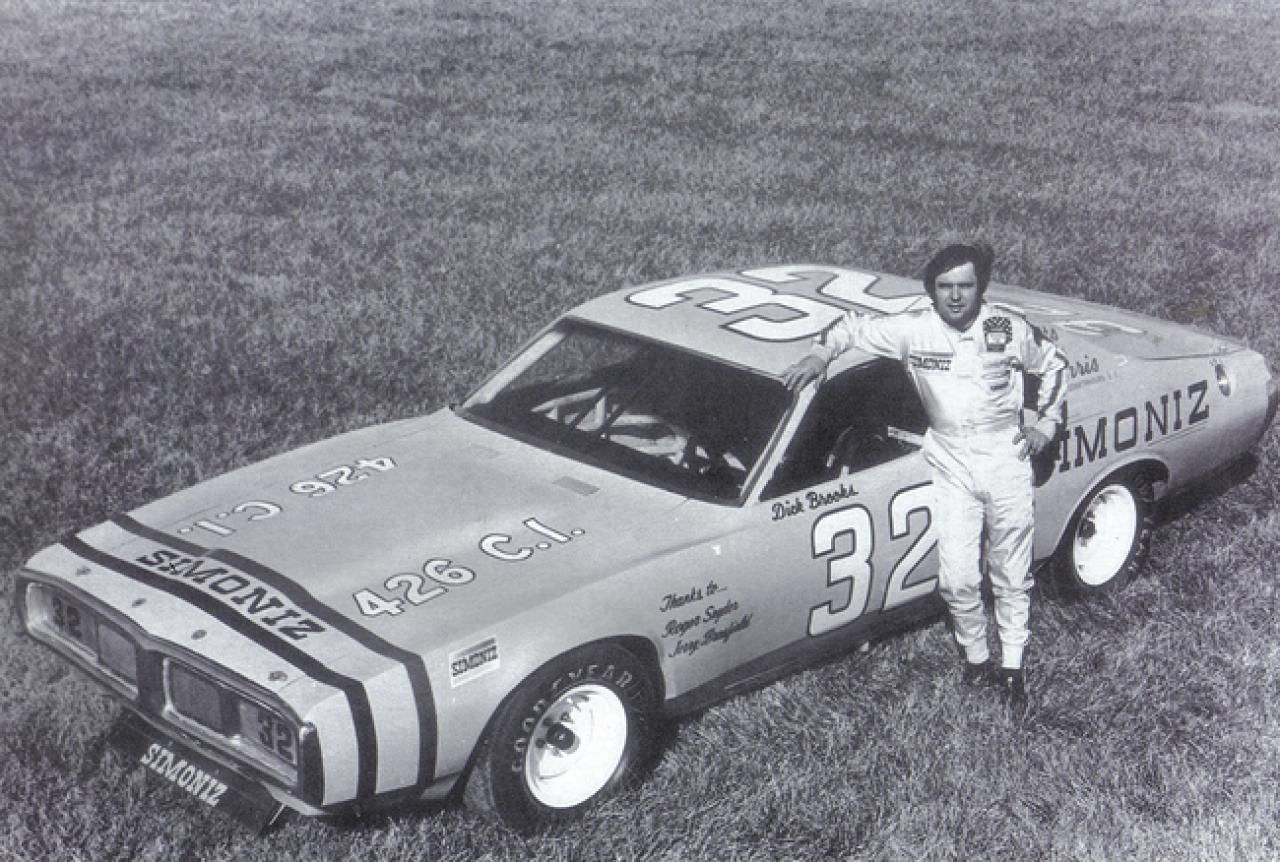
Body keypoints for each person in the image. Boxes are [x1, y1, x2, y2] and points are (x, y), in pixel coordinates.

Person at [782, 243, 1068, 710]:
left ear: (981, 288)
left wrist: (1045, 425)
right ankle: (977, 662)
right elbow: (847, 326)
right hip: (950, 459)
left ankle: (1013, 668)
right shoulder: (913, 329)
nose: (955, 296)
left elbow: (1055, 363)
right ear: (932, 290)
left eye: (965, 286)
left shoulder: (1008, 327)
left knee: (1010, 570)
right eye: (945, 286)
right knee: (957, 578)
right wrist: (819, 357)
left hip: (1004, 456)